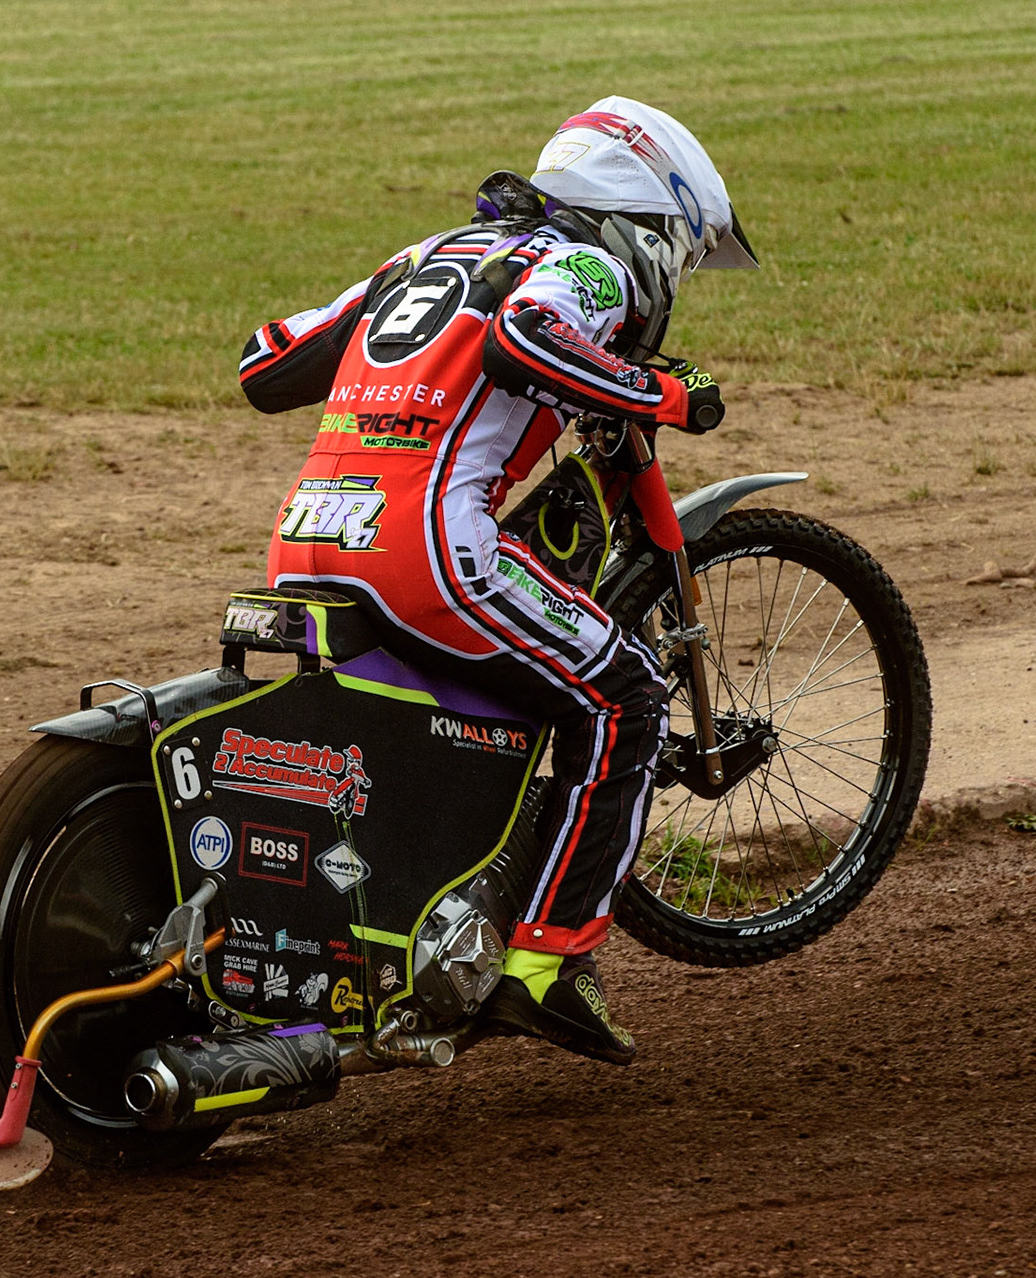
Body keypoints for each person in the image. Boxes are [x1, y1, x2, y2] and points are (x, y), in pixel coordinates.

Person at [236, 97, 759, 1065]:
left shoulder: (428, 255)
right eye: (680, 255)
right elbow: (526, 340)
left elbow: (263, 364)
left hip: (308, 536)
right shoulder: (585, 262)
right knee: (624, 697)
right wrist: (663, 394)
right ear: (647, 220)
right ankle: (546, 968)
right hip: (426, 547)